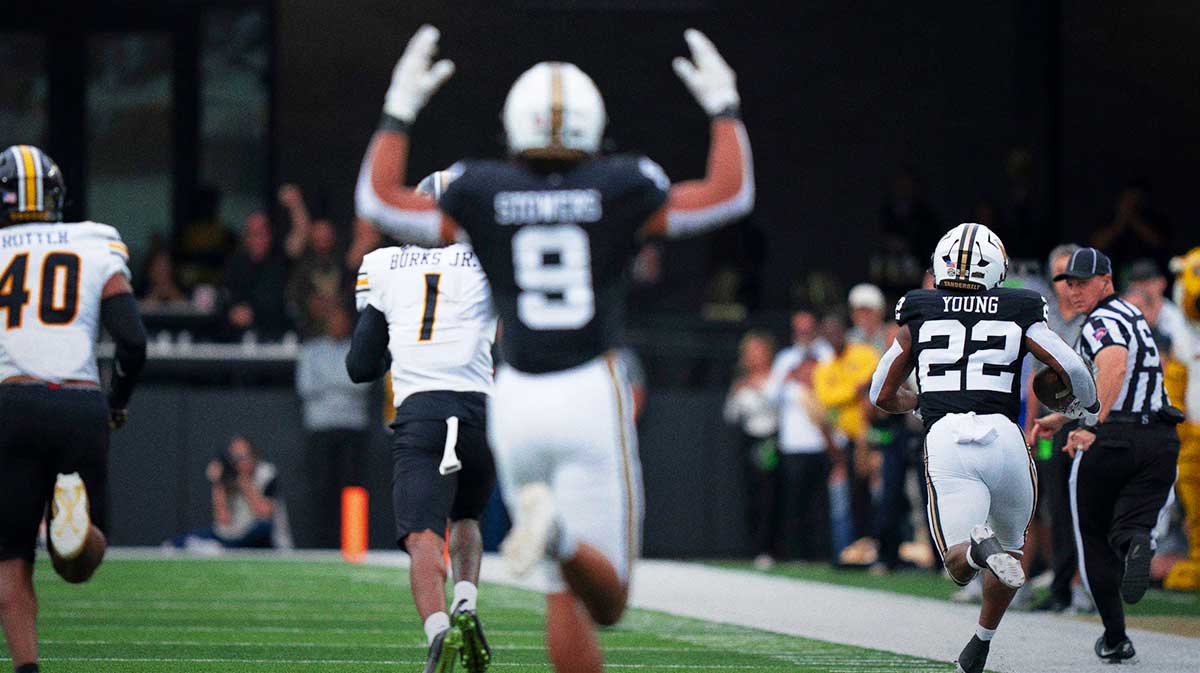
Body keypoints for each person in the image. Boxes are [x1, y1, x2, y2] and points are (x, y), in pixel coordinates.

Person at [355, 25, 752, 673]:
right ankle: (559, 532)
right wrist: (725, 108)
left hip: (516, 401)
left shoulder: (482, 190)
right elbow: (728, 193)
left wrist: (398, 110)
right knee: (609, 599)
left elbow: (380, 198)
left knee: (557, 586)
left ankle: (551, 535)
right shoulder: (619, 187)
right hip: (588, 391)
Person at [870, 223, 1099, 673]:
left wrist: (922, 403)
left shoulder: (919, 309)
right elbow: (1071, 366)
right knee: (1011, 556)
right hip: (1006, 438)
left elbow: (880, 393)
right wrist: (1085, 408)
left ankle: (977, 548)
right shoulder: (1020, 306)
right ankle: (980, 643)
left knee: (960, 563)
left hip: (949, 437)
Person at [0, 145, 147, 673]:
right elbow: (132, 341)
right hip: (79, 403)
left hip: (12, 401)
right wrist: (117, 403)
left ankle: (26, 669)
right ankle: (72, 528)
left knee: (10, 558)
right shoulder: (94, 240)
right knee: (78, 566)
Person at [346, 235, 498, 672]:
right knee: (466, 517)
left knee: (423, 536)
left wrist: (401, 347)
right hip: (479, 412)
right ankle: (465, 603)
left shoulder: (385, 265)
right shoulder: (486, 255)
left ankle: (437, 630)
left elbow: (360, 365)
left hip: (424, 413)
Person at [1032, 247, 1182, 663]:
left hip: (1112, 439)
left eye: (1083, 282)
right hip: (1159, 441)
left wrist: (1091, 426)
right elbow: (1110, 377)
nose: (1075, 291)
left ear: (1107, 281)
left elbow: (1113, 366)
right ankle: (1136, 541)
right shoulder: (1135, 314)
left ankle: (1115, 637)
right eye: (1070, 283)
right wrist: (1062, 419)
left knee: (1093, 541)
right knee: (1130, 527)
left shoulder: (1101, 322)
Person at [295, 303, 371, 548]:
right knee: (321, 490)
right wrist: (344, 381)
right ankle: (321, 546)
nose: (338, 323)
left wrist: (328, 381)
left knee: (352, 489)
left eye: (342, 318)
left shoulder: (360, 349)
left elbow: (362, 385)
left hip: (352, 429)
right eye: (333, 317)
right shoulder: (311, 351)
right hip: (321, 430)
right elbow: (306, 387)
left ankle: (352, 543)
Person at [763, 309, 837, 559]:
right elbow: (770, 398)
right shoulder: (785, 358)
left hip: (822, 441)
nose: (804, 334)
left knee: (820, 506)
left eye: (807, 329)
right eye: (799, 329)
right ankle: (795, 554)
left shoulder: (827, 354)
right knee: (794, 504)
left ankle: (822, 555)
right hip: (793, 444)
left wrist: (813, 380)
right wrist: (789, 377)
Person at [813, 314, 879, 551]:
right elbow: (826, 397)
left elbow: (875, 376)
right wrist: (854, 389)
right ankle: (863, 543)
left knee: (881, 489)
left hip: (875, 434)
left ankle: (884, 543)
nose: (834, 338)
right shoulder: (825, 367)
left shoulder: (863, 353)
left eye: (837, 332)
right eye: (828, 334)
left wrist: (851, 390)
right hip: (851, 438)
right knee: (857, 493)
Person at [723, 331, 781, 567]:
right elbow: (730, 414)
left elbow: (776, 404)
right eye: (750, 352)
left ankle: (769, 547)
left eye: (758, 351)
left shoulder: (774, 376)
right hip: (749, 440)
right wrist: (738, 392)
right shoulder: (741, 380)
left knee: (769, 494)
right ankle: (755, 546)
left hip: (770, 438)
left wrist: (756, 388)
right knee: (752, 493)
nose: (754, 356)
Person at [169, 436, 285, 550]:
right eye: (236, 458)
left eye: (244, 456)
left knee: (263, 527)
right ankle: (217, 546)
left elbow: (265, 513)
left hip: (259, 538)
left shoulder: (266, 474)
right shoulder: (227, 476)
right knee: (177, 543)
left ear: (254, 455)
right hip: (232, 535)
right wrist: (218, 484)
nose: (241, 462)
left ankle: (217, 547)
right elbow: (223, 521)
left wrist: (244, 483)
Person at [220, 211, 291, 341]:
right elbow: (224, 294)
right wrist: (231, 311)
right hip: (237, 339)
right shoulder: (236, 262)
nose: (257, 239)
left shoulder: (280, 260)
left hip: (272, 337)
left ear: (270, 236)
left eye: (261, 233)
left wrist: (294, 202)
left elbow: (276, 304)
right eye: (252, 234)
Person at [847, 283, 889, 353]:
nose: (864, 316)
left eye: (869, 311)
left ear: (881, 312)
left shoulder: (892, 338)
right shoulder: (846, 340)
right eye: (860, 311)